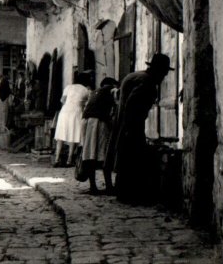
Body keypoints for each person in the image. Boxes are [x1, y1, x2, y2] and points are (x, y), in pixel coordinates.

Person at [106, 52, 173, 204]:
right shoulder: (147, 83)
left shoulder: (135, 76)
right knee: (132, 157)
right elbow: (132, 105)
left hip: (123, 122)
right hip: (131, 125)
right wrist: (133, 127)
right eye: (163, 73)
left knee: (124, 157)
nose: (163, 78)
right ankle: (130, 195)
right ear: (158, 71)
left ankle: (123, 193)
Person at [79, 77, 119, 195]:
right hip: (97, 121)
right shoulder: (111, 89)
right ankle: (109, 186)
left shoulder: (95, 92)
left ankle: (93, 187)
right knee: (104, 154)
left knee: (90, 154)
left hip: (86, 121)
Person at [52, 72, 91, 167]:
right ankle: (69, 160)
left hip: (64, 112)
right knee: (73, 135)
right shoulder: (86, 90)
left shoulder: (68, 87)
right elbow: (87, 104)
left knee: (61, 135)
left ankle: (56, 159)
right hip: (76, 112)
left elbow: (62, 100)